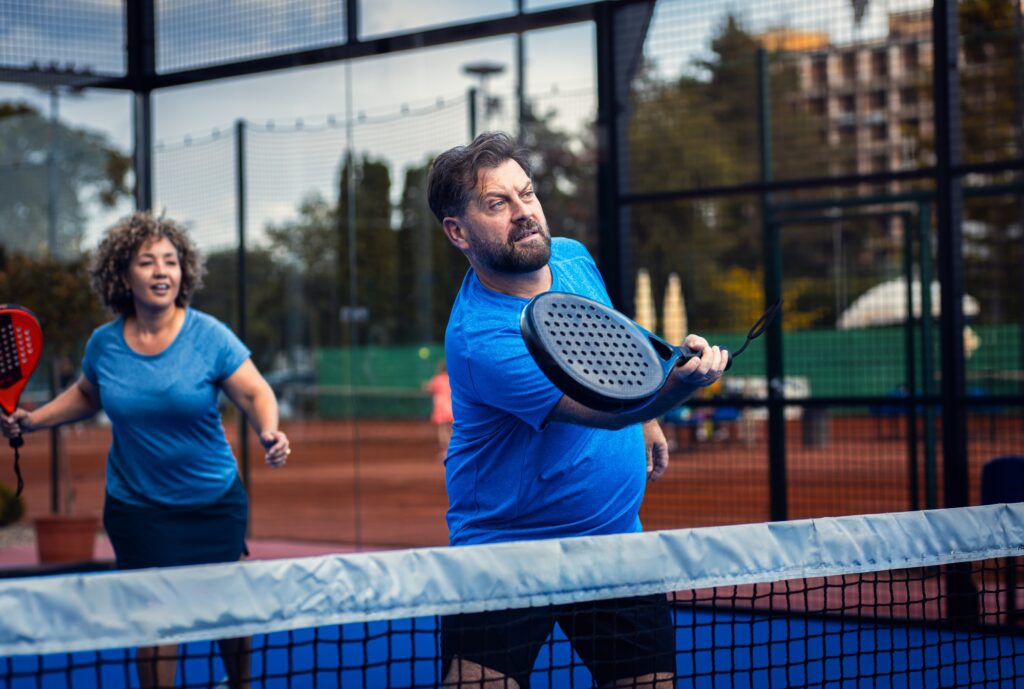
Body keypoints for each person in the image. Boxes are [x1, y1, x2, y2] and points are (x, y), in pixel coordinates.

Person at [426, 132, 728, 688]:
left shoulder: (572, 258)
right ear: (458, 231)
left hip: (615, 542)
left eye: (527, 194)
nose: (524, 213)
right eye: (498, 203)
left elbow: (614, 353)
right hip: (507, 554)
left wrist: (652, 416)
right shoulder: (482, 338)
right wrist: (678, 392)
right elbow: (606, 411)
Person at [0, 211, 290, 689]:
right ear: (122, 275)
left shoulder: (209, 335)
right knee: (155, 616)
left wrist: (269, 431)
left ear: (184, 272)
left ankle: (240, 684)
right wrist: (33, 421)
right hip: (138, 507)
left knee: (230, 610)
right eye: (147, 262)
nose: (161, 271)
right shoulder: (105, 345)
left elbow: (257, 392)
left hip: (213, 503)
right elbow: (88, 395)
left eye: (171, 262)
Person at [425, 360, 454, 458]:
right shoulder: (452, 378)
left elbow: (429, 389)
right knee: (452, 430)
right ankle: (453, 450)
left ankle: (447, 451)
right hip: (453, 408)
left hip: (442, 408)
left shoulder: (437, 379)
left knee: (443, 430)